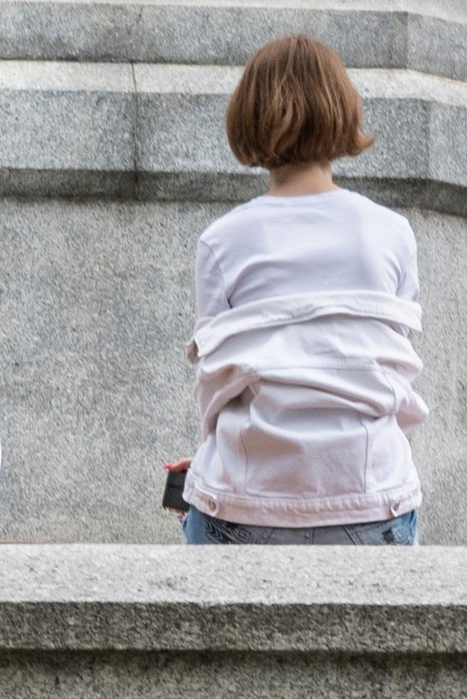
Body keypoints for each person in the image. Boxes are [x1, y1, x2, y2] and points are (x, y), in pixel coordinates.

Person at [180, 34, 425, 543]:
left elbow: (216, 381)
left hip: (247, 501)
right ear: (344, 110)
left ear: (248, 116)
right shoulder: (392, 232)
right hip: (371, 496)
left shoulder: (222, 240)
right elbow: (389, 365)